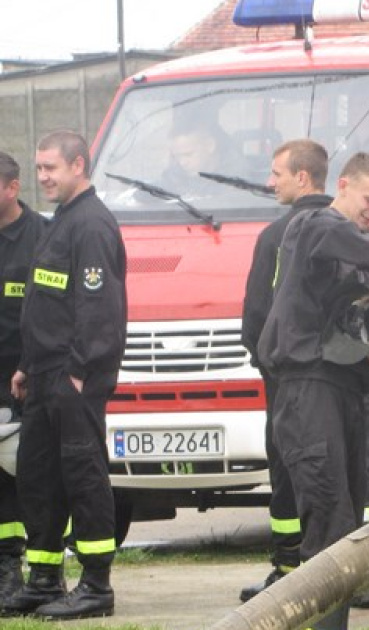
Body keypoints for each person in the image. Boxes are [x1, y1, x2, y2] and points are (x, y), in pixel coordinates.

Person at [255, 152, 369, 630]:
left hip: (347, 389)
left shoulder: (354, 251)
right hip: (306, 391)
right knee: (327, 518)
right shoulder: (311, 226)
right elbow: (336, 236)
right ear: (343, 184)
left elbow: (358, 326)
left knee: (345, 525)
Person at [5, 131, 127, 619]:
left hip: (73, 379)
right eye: (37, 169)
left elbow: (100, 311)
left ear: (78, 166)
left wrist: (79, 371)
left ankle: (96, 584)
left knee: (83, 477)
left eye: (50, 168)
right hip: (42, 376)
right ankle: (43, 578)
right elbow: (46, 304)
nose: (42, 177)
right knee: (40, 478)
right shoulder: (61, 222)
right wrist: (26, 367)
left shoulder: (92, 225)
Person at [238, 139, 332, 603]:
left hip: (284, 380)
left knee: (287, 470)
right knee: (340, 472)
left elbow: (255, 315)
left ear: (303, 177)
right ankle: (349, 571)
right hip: (333, 381)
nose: (270, 182)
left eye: (277, 173)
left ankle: (288, 566)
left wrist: (267, 364)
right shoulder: (344, 229)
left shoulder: (276, 235)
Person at [0, 151, 49, 603]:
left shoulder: (42, 237)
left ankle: (45, 567)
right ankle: (6, 568)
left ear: (12, 188)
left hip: (25, 379)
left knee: (29, 475)